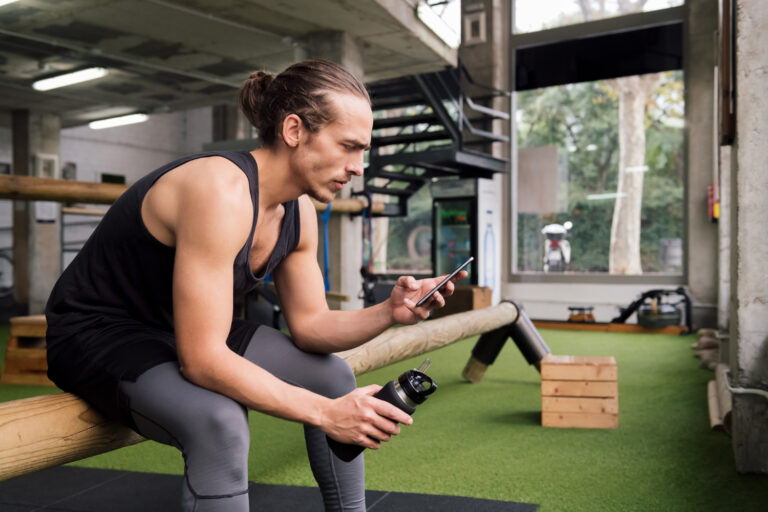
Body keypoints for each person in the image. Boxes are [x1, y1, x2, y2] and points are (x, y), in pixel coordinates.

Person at [45, 59, 466, 512]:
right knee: (220, 422)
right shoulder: (220, 190)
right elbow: (202, 360)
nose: (358, 167)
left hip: (180, 325)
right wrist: (326, 413)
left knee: (332, 376)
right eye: (348, 147)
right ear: (293, 130)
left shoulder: (298, 211)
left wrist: (389, 311)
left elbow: (311, 325)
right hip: (98, 332)